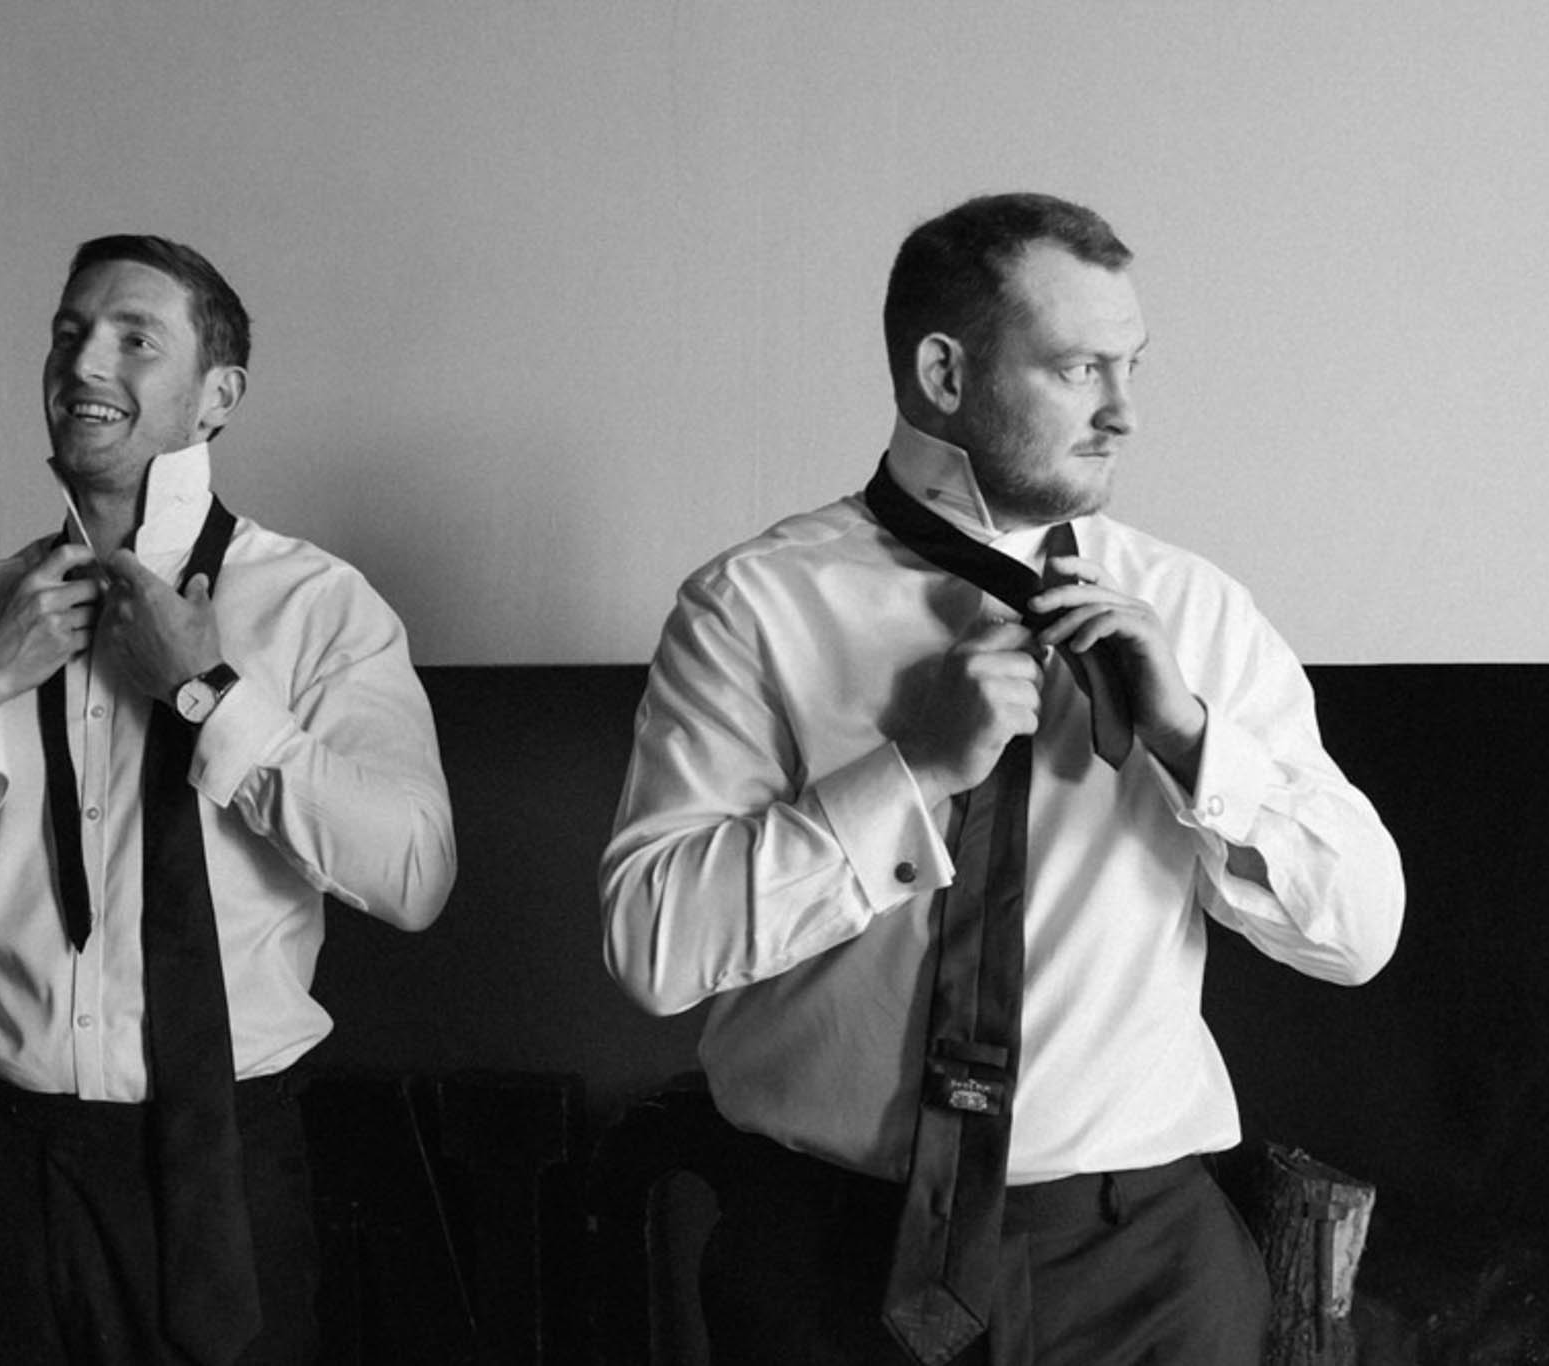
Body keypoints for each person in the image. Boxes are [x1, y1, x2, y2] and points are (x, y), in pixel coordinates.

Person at [598, 193, 1404, 1365]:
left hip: (1138, 1277)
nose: (1123, 412)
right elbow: (652, 946)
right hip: (826, 1271)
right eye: (1079, 368)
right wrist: (910, 773)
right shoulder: (751, 608)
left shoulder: (1194, 613)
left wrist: (1191, 744)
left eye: (1131, 367)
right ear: (942, 372)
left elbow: (1359, 932)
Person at [0, 234, 456, 1365]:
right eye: (68, 333)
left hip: (227, 1165)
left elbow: (414, 875)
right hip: (8, 1170)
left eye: (134, 338)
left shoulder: (318, 609)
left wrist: (208, 691)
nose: (85, 360)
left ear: (216, 395)